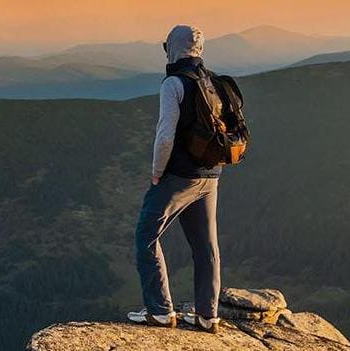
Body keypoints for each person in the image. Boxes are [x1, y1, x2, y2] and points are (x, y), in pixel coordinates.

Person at [126, 24, 225, 333]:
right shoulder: (212, 81)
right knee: (205, 246)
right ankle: (208, 316)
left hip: (179, 176)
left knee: (146, 236)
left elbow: (165, 136)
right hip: (210, 175)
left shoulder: (174, 83)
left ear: (173, 48)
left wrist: (157, 172)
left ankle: (159, 311)